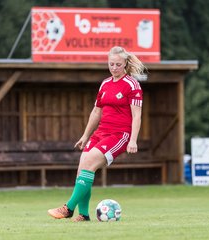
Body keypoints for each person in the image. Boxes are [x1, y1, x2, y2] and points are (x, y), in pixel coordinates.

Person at [47, 46, 146, 222]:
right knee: (82, 169)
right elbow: (96, 111)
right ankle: (84, 215)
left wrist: (133, 140)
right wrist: (85, 136)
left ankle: (68, 208)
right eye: (111, 64)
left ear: (125, 64)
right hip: (101, 133)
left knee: (89, 163)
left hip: (119, 135)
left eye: (118, 64)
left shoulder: (132, 84)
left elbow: (137, 115)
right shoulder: (105, 84)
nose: (114, 67)